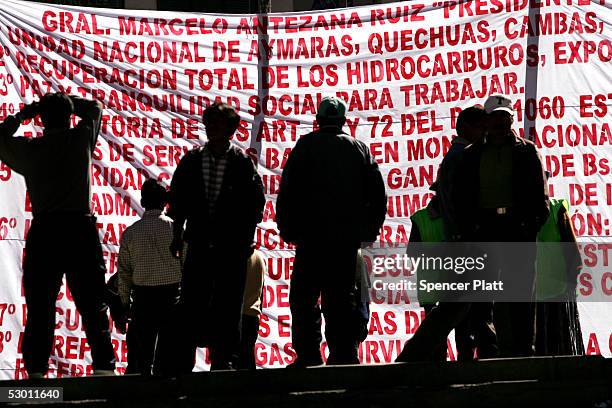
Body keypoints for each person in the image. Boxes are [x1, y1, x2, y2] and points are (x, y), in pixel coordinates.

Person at [0, 93, 116, 378]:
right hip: (79, 228)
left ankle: (37, 374)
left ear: (42, 119)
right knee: (92, 304)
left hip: (46, 231)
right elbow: (95, 108)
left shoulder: (31, 149)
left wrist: (25, 114)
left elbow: (0, 137)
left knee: (41, 307)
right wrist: (69, 104)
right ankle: (103, 369)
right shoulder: (80, 141)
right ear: (68, 116)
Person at [276, 96, 387, 367]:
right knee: (341, 300)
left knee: (304, 299)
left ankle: (309, 355)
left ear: (318, 120)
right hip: (345, 242)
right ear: (343, 121)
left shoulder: (305, 147)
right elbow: (378, 194)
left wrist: (288, 228)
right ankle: (343, 354)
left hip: (310, 239)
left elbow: (288, 191)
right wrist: (369, 229)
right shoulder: (359, 149)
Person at [169, 102, 265, 371]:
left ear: (231, 129)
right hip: (198, 243)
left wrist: (245, 239)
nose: (211, 129)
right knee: (192, 301)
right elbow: (178, 202)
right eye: (208, 123)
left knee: (228, 303)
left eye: (217, 124)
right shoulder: (192, 160)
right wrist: (177, 236)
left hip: (230, 247)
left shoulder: (242, 163)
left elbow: (255, 205)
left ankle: (223, 361)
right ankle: (182, 363)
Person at [455, 94, 550, 357]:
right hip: (484, 229)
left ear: (512, 118)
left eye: (504, 116)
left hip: (516, 229)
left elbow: (540, 197)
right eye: (494, 116)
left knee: (520, 295)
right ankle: (489, 352)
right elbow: (461, 198)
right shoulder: (470, 155)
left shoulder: (527, 151)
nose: (499, 121)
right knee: (483, 297)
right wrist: (470, 230)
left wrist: (528, 228)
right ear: (486, 120)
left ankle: (523, 352)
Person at [117, 179, 182, 376]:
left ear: (143, 202)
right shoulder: (174, 229)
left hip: (143, 298)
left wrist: (124, 302)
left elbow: (124, 273)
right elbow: (187, 263)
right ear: (165, 202)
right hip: (172, 297)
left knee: (142, 356)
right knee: (169, 353)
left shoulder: (130, 233)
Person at [535, 196, 584, 356]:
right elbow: (574, 255)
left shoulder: (557, 209)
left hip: (545, 294)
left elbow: (574, 256)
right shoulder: (557, 209)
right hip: (550, 293)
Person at [235, 249, 266, 370]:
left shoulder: (236, 256)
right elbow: (261, 291)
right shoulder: (259, 257)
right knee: (248, 361)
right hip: (252, 316)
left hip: (236, 317)